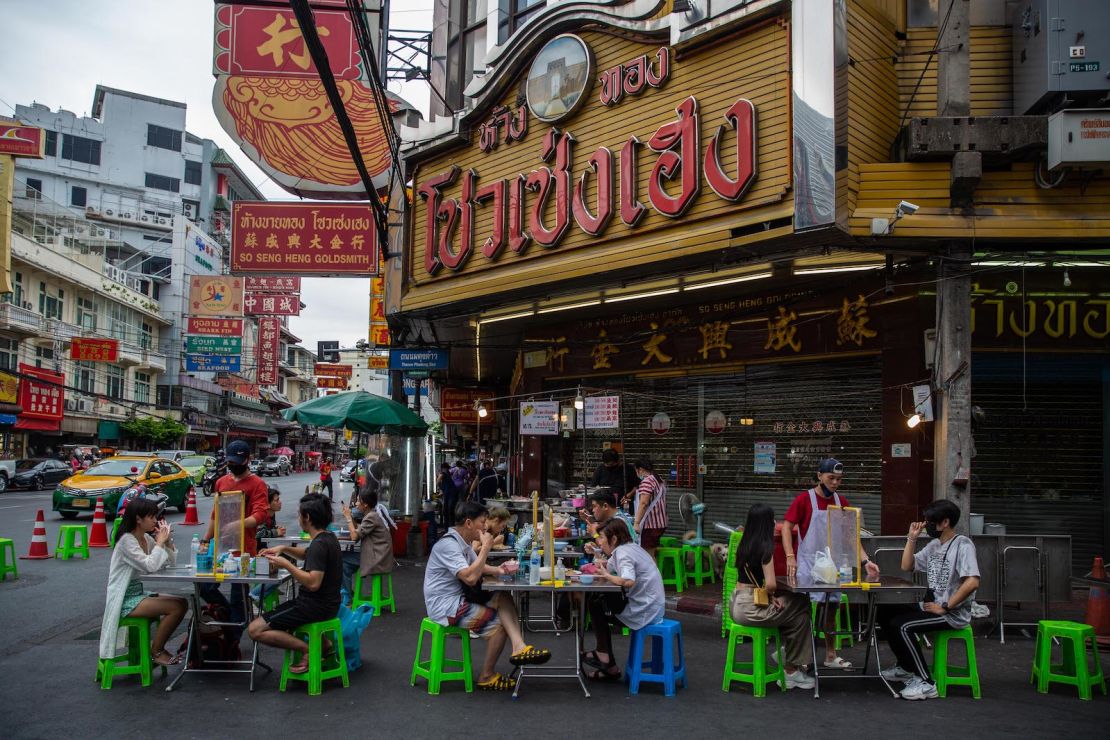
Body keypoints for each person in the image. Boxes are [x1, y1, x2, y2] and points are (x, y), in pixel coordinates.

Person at [423, 501, 551, 690]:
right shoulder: (448, 546)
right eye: (482, 522)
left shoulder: (462, 543)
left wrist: (500, 570)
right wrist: (485, 547)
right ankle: (486, 676)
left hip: (458, 599)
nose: (485, 526)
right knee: (498, 625)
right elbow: (471, 577)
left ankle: (519, 647)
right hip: (446, 607)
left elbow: (479, 567)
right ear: (469, 523)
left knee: (503, 597)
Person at [877, 499, 980, 701]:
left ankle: (926, 682)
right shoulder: (934, 545)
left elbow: (972, 583)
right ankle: (906, 667)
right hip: (930, 606)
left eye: (931, 521)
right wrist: (911, 538)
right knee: (885, 611)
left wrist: (945, 607)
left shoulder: (963, 545)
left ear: (945, 522)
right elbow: (907, 565)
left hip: (952, 614)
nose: (927, 525)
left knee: (902, 625)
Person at [782, 458, 879, 670]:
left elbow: (850, 535)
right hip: (808, 563)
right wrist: (790, 555)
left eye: (838, 479)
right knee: (804, 611)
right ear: (819, 476)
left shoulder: (841, 501)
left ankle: (830, 655)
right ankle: (799, 657)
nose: (835, 482)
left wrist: (865, 561)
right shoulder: (804, 499)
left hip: (832, 565)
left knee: (830, 610)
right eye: (831, 478)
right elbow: (787, 527)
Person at [247, 494, 343, 674]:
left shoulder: (320, 545)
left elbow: (313, 583)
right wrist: (283, 549)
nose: (298, 518)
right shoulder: (328, 538)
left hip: (312, 607)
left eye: (299, 515)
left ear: (307, 518)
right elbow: (307, 554)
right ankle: (323, 644)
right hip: (328, 605)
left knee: (254, 629)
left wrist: (286, 564)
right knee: (275, 620)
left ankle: (310, 650)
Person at [731, 504, 815, 689]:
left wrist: (770, 598)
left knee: (800, 618)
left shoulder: (744, 544)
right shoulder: (765, 548)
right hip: (751, 609)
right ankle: (790, 665)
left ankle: (790, 664)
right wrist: (771, 596)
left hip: (736, 603)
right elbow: (771, 585)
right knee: (801, 601)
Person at [99, 497, 188, 668]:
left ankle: (156, 651)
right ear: (138, 519)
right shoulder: (127, 540)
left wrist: (167, 542)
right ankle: (157, 651)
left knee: (182, 603)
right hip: (123, 598)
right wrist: (160, 543)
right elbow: (151, 565)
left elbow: (169, 562)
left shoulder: (146, 539)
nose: (156, 520)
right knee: (175, 607)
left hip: (137, 593)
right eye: (152, 517)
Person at [198, 440, 272, 639]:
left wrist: (236, 524)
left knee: (238, 594)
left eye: (238, 461)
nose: (234, 465)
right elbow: (216, 514)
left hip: (244, 550)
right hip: (220, 548)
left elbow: (261, 515)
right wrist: (205, 541)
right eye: (231, 461)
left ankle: (233, 640)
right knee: (205, 586)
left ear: (248, 459)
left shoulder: (257, 484)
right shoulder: (221, 482)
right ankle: (229, 616)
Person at [583, 518, 666, 680]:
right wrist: (596, 554)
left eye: (602, 539)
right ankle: (606, 660)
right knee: (596, 601)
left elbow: (628, 581)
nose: (600, 542)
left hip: (645, 611)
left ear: (613, 539)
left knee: (595, 603)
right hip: (652, 606)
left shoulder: (623, 553)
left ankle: (605, 657)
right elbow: (611, 565)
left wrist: (606, 575)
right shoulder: (630, 548)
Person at [340, 486, 396, 600]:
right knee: (344, 564)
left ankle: (348, 596)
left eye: (358, 501)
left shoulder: (371, 517)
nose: (355, 504)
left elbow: (354, 537)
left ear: (365, 504)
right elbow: (360, 529)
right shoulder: (372, 515)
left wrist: (348, 518)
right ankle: (348, 594)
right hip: (378, 555)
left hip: (377, 558)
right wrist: (350, 516)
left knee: (340, 559)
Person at [581, 490, 635, 559]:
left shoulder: (618, 521)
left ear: (605, 506)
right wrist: (595, 549)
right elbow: (611, 549)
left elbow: (612, 552)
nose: (593, 510)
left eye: (594, 506)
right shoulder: (617, 517)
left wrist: (594, 534)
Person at [632, 458, 668, 556]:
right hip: (660, 523)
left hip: (651, 525)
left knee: (648, 555)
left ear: (640, 469)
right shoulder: (658, 480)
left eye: (636, 471)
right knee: (650, 553)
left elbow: (644, 503)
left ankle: (653, 572)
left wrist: (636, 523)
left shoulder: (647, 481)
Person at [590, 448, 639, 516]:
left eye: (612, 464)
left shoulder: (628, 468)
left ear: (618, 461)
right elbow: (593, 486)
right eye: (607, 465)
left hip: (624, 504)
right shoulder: (600, 469)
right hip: (605, 506)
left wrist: (629, 495)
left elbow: (637, 485)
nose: (609, 466)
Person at [437, 463, 459, 527]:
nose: (448, 469)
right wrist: (441, 489)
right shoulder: (447, 474)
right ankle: (449, 525)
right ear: (444, 468)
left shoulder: (444, 473)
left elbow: (438, 480)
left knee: (448, 510)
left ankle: (449, 525)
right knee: (448, 510)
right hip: (450, 493)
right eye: (447, 468)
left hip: (451, 494)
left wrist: (439, 485)